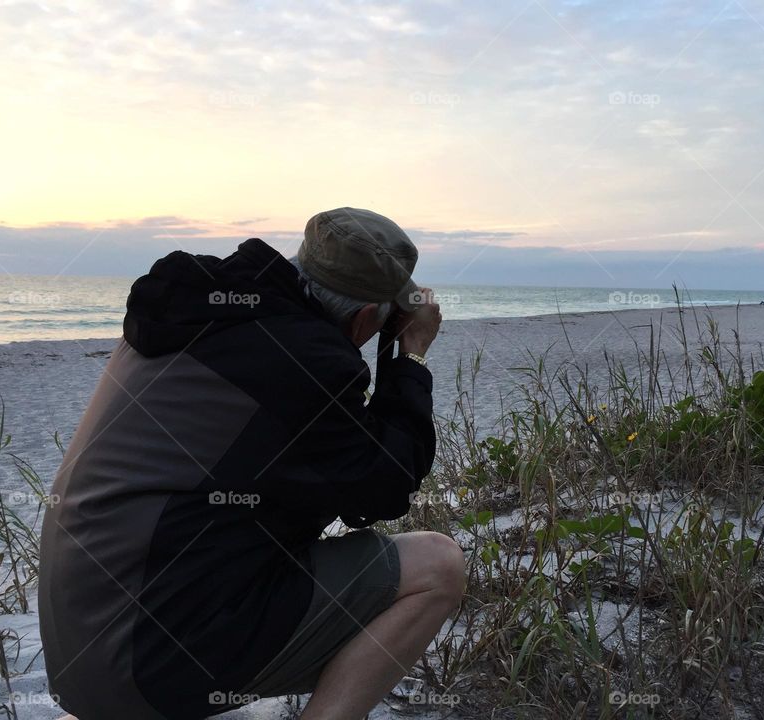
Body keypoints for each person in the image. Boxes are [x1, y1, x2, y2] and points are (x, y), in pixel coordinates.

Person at [39, 207, 465, 720]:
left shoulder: (190, 308)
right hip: (144, 669)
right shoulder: (306, 363)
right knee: (437, 567)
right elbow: (386, 488)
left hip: (78, 649)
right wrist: (410, 356)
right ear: (361, 320)